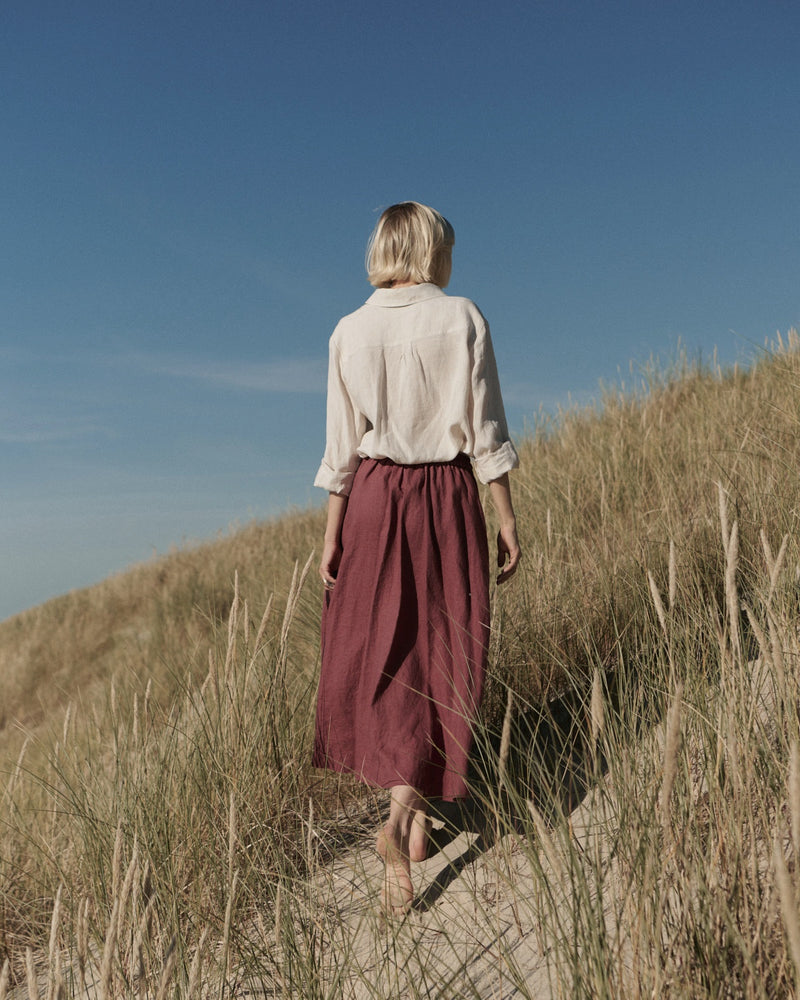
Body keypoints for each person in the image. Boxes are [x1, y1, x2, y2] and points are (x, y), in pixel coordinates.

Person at [312, 201, 521, 915]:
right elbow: (485, 425)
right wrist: (506, 515)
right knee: (445, 651)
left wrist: (332, 534)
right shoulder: (462, 316)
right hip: (443, 495)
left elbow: (341, 447)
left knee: (390, 653)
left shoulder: (348, 330)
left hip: (371, 497)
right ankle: (402, 819)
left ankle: (416, 817)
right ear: (434, 250)